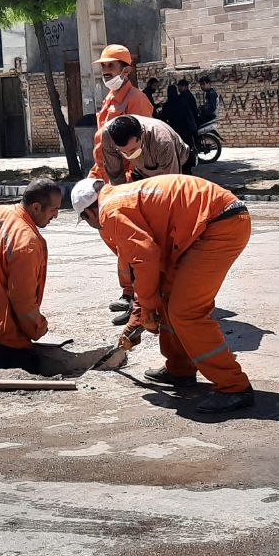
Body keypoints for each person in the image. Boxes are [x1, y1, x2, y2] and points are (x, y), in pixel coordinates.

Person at [71, 175, 255, 414]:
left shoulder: (111, 212)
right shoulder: (121, 199)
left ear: (88, 214)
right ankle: (180, 370)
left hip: (219, 224)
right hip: (210, 223)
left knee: (186, 311)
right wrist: (138, 316)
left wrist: (147, 310)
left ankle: (234, 386)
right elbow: (147, 270)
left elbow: (144, 259)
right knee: (169, 299)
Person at [0, 179, 64, 373]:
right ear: (36, 207)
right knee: (26, 372)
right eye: (53, 210)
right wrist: (38, 328)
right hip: (0, 331)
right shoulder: (27, 242)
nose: (56, 216)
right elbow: (23, 300)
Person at [90, 44, 154, 181]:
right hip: (103, 175)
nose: (105, 71)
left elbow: (140, 147)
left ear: (126, 70)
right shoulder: (109, 98)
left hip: (121, 179)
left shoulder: (137, 100)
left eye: (111, 66)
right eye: (103, 66)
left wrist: (128, 181)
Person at [100, 114, 193, 186]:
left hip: (177, 164)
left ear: (141, 135)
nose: (128, 155)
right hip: (143, 169)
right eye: (123, 152)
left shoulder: (162, 141)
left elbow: (173, 183)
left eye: (132, 150)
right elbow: (115, 175)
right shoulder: (108, 136)